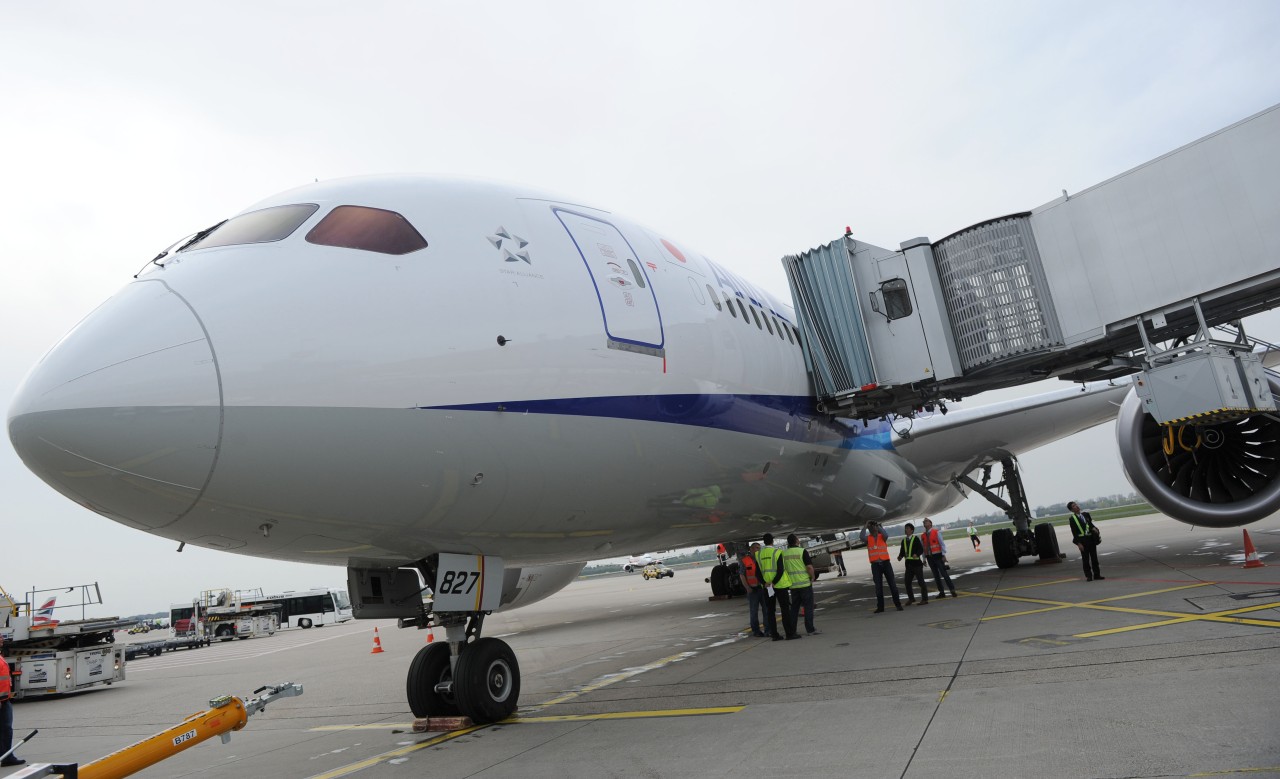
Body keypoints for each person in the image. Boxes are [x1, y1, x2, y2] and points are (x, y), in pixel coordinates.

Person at [861, 521, 902, 613]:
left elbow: (885, 534)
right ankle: (880, 607)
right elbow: (861, 537)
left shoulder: (882, 537)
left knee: (892, 585)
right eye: (871, 527)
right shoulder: (868, 539)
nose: (872, 528)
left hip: (886, 563)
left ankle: (898, 604)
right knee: (878, 587)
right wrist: (865, 526)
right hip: (875, 565)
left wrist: (878, 526)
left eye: (874, 527)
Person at [782, 534, 819, 636]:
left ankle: (792, 630)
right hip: (804, 584)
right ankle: (810, 629)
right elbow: (809, 567)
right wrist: (812, 577)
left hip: (793, 585)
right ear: (796, 541)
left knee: (794, 609)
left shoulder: (784, 554)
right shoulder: (802, 551)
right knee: (808, 607)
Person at [756, 533, 786, 640]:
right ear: (772, 541)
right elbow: (780, 570)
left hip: (767, 587)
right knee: (785, 609)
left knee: (770, 611)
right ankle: (789, 633)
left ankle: (774, 635)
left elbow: (757, 573)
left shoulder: (758, 554)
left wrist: (764, 583)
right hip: (779, 585)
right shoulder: (777, 552)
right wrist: (774, 582)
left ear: (763, 542)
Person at [1067, 501, 1105, 581]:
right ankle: (1088, 576)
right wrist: (1078, 544)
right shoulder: (1072, 519)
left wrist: (1095, 529)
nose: (1076, 506)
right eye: (1074, 506)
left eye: (1076, 504)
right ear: (1071, 510)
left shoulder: (1086, 515)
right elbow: (1074, 533)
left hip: (1091, 540)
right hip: (1083, 542)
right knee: (1086, 559)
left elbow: (1090, 525)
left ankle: (1097, 575)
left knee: (1094, 558)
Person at [0, 634, 22, 767]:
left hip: (4, 699)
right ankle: (6, 757)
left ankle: (6, 755)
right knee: (5, 729)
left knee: (5, 729)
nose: (2, 638)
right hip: (1, 700)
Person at [921, 518, 957, 598]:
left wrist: (943, 555)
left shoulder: (936, 532)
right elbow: (923, 548)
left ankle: (952, 590)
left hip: (938, 556)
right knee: (936, 576)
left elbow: (942, 544)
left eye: (927, 521)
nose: (925, 523)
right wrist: (923, 559)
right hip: (929, 557)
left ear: (931, 524)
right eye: (924, 522)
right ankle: (942, 592)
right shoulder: (923, 536)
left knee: (944, 574)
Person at [898, 523, 929, 605]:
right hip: (908, 565)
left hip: (917, 564)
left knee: (921, 582)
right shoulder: (904, 540)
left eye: (907, 528)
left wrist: (917, 554)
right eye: (905, 528)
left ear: (912, 530)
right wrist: (900, 556)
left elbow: (921, 549)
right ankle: (911, 599)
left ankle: (925, 599)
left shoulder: (915, 539)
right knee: (907, 582)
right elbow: (902, 551)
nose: (906, 530)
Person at [741, 543, 767, 637]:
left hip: (762, 588)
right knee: (754, 611)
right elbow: (742, 575)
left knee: (766, 609)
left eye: (759, 548)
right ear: (751, 549)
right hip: (753, 590)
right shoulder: (745, 561)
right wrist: (747, 587)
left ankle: (767, 629)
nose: (758, 550)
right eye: (756, 548)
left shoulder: (761, 559)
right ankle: (756, 631)